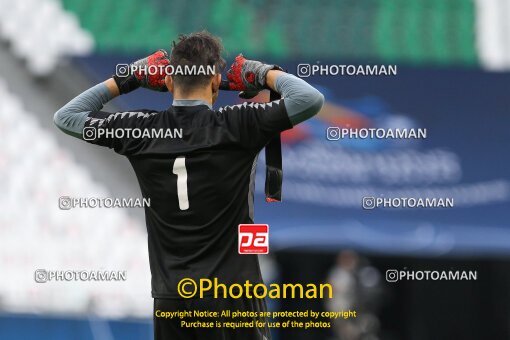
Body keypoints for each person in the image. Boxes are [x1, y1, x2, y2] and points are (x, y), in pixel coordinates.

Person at [54, 31, 324, 340]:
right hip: (232, 296)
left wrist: (127, 78)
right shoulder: (238, 123)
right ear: (214, 83)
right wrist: (263, 72)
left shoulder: (139, 129)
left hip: (172, 298)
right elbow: (310, 100)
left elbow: (67, 117)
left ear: (168, 82)